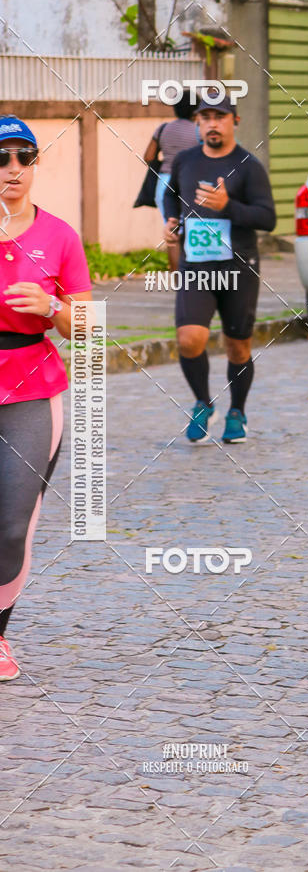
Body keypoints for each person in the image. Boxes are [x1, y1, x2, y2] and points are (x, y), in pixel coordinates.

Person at [0, 116, 92, 680]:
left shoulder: (59, 236)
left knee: (12, 526)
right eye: (2, 157)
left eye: (24, 157)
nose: (12, 169)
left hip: (31, 386)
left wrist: (53, 308)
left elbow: (86, 325)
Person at [164, 93, 276, 445]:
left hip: (239, 267)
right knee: (189, 339)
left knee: (237, 347)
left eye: (220, 117)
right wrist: (171, 220)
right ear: (197, 122)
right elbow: (170, 195)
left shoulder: (248, 166)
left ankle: (237, 411)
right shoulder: (185, 161)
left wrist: (228, 206)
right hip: (196, 264)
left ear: (234, 122)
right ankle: (203, 402)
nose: (212, 124)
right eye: (206, 117)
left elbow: (268, 218)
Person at [143, 89, 199, 273]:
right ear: (196, 110)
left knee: (172, 232)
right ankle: (194, 276)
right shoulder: (199, 131)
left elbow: (148, 156)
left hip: (165, 184)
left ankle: (178, 279)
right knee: (193, 230)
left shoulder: (163, 129)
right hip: (189, 183)